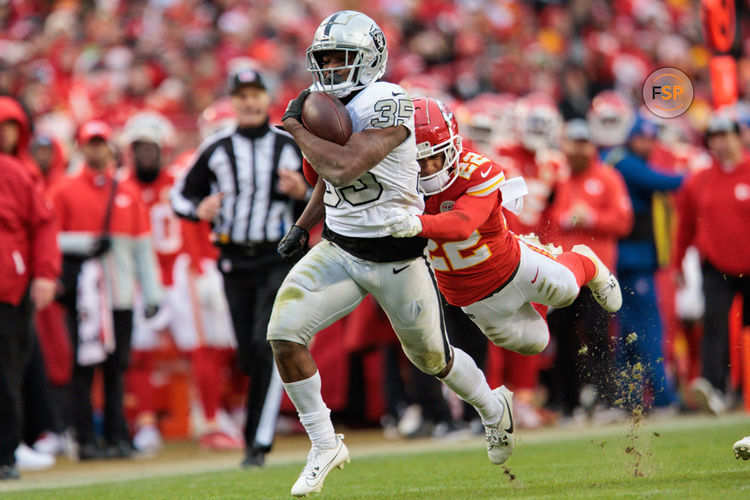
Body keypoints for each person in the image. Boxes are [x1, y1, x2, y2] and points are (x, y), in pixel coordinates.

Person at [270, 12, 513, 497]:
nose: (333, 67)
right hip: (339, 248)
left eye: (343, 57)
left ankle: (492, 406)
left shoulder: (390, 101)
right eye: (325, 59)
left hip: (396, 255)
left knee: (432, 359)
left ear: (372, 58)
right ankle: (323, 444)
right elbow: (326, 178)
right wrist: (303, 226)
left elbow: (344, 167)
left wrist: (297, 129)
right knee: (283, 335)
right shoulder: (326, 104)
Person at [384, 96, 622, 372]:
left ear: (453, 146)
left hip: (510, 262)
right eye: (419, 160)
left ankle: (586, 262)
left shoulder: (478, 170)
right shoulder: (396, 186)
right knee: (536, 341)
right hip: (470, 296)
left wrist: (417, 224)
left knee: (566, 290)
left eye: (435, 157)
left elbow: (462, 225)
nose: (428, 168)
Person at [171, 67, 310, 467]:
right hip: (233, 261)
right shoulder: (215, 148)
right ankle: (256, 433)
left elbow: (326, 193)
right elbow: (180, 196)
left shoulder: (291, 144)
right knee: (248, 355)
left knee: (267, 345)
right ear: (232, 102)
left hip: (277, 256)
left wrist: (301, 193)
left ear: (267, 98)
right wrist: (199, 209)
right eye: (241, 95)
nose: (249, 102)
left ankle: (257, 442)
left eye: (255, 93)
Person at [121, 111, 239, 453]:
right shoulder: (121, 183)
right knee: (140, 352)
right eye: (139, 146)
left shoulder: (181, 179)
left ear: (164, 148)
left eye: (151, 146)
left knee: (206, 348)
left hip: (180, 273)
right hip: (142, 280)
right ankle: (144, 423)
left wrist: (203, 263)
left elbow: (197, 224)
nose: (145, 153)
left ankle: (212, 418)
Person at [50, 120, 162, 459]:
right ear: (81, 148)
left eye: (100, 143)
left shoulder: (126, 192)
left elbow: (143, 248)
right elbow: (48, 239)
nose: (96, 149)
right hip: (84, 298)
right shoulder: (64, 189)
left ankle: (117, 437)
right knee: (83, 369)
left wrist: (152, 293)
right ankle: (84, 439)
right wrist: (84, 242)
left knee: (117, 368)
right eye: (90, 143)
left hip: (120, 295)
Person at [544, 119, 633, 418]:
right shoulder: (562, 180)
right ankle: (568, 404)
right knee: (562, 334)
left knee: (598, 337)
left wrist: (592, 218)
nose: (577, 149)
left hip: (597, 273)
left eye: (583, 143)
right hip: (567, 273)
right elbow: (553, 222)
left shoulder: (607, 177)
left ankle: (607, 400)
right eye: (573, 143)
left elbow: (623, 221)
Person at [605, 116, 684, 412]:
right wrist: (699, 174)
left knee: (628, 333)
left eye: (651, 139)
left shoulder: (620, 160)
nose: (647, 144)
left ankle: (630, 399)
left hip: (629, 260)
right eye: (642, 137)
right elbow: (662, 181)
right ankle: (663, 397)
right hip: (632, 261)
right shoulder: (625, 163)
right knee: (649, 328)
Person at [673, 116, 750, 415]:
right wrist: (678, 262)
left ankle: (744, 391)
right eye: (713, 136)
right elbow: (685, 226)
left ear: (738, 137)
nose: (720, 142)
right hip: (715, 265)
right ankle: (714, 388)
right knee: (714, 326)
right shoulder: (700, 179)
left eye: (725, 135)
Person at [0, 153, 60, 479]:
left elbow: (43, 223)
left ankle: (5, 453)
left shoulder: (13, 172)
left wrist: (45, 273)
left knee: (6, 375)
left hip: (7, 288)